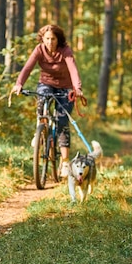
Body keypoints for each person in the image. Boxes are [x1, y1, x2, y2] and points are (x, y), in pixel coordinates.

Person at [12, 24, 83, 177]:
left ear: (58, 39)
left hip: (66, 87)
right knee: (41, 101)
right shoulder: (39, 49)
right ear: (42, 39)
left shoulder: (65, 51)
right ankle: (39, 132)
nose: (50, 42)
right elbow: (27, 68)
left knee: (62, 121)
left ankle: (64, 162)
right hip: (46, 84)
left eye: (53, 39)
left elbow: (73, 69)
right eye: (47, 39)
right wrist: (19, 84)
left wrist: (77, 88)